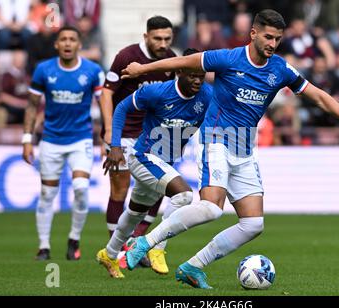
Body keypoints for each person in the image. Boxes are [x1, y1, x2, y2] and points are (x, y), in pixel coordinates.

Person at [121, 9, 339, 289]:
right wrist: (141, 69)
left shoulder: (280, 68)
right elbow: (185, 61)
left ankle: (193, 266)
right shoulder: (228, 58)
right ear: (253, 33)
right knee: (210, 208)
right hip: (216, 139)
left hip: (244, 149)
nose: (272, 43)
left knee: (253, 224)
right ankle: (144, 243)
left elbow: (317, 94)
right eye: (268, 37)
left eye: (278, 39)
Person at [97, 48, 212, 278]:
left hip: (165, 162)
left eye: (201, 75)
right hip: (142, 157)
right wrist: (116, 146)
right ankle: (157, 248)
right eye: (192, 75)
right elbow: (121, 108)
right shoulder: (157, 92)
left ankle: (108, 254)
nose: (198, 80)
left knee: (135, 212)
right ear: (179, 70)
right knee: (184, 196)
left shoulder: (207, 96)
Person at [22, 25, 104, 261]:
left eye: (72, 39)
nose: (68, 43)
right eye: (63, 39)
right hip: (51, 140)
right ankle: (44, 246)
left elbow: (103, 103)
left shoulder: (92, 70)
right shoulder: (43, 70)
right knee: (47, 194)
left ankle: (74, 239)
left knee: (80, 189)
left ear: (79, 44)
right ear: (56, 44)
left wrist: (106, 137)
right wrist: (27, 139)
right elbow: (31, 105)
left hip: (80, 139)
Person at [99, 16, 176, 270]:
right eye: (157, 38)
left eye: (167, 38)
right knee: (119, 189)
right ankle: (115, 248)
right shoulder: (126, 56)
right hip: (124, 133)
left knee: (159, 188)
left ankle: (136, 241)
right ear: (146, 37)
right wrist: (111, 131)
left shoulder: (171, 60)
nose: (163, 43)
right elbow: (107, 92)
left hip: (153, 136)